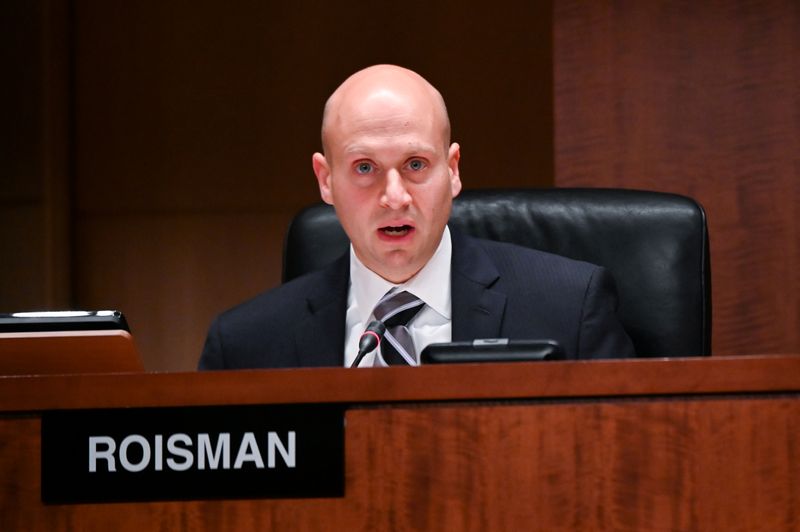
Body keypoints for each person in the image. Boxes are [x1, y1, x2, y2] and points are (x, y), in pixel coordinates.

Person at [199, 65, 634, 370]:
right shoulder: (245, 345)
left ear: (453, 170)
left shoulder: (570, 309)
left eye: (416, 165)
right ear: (325, 179)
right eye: (365, 168)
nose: (394, 197)